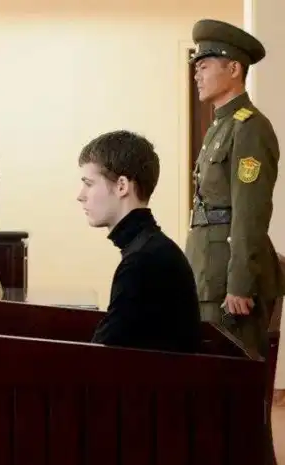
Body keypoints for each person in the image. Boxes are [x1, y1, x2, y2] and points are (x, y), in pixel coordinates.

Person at [184, 19, 285, 357]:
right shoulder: (220, 126)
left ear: (233, 68)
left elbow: (250, 211)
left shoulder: (249, 128)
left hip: (229, 282)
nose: (197, 75)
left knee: (231, 372)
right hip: (208, 272)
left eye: (204, 66)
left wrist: (240, 283)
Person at [77, 130, 201, 353]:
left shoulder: (143, 261)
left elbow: (99, 357)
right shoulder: (150, 248)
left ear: (122, 186)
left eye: (89, 183)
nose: (81, 195)